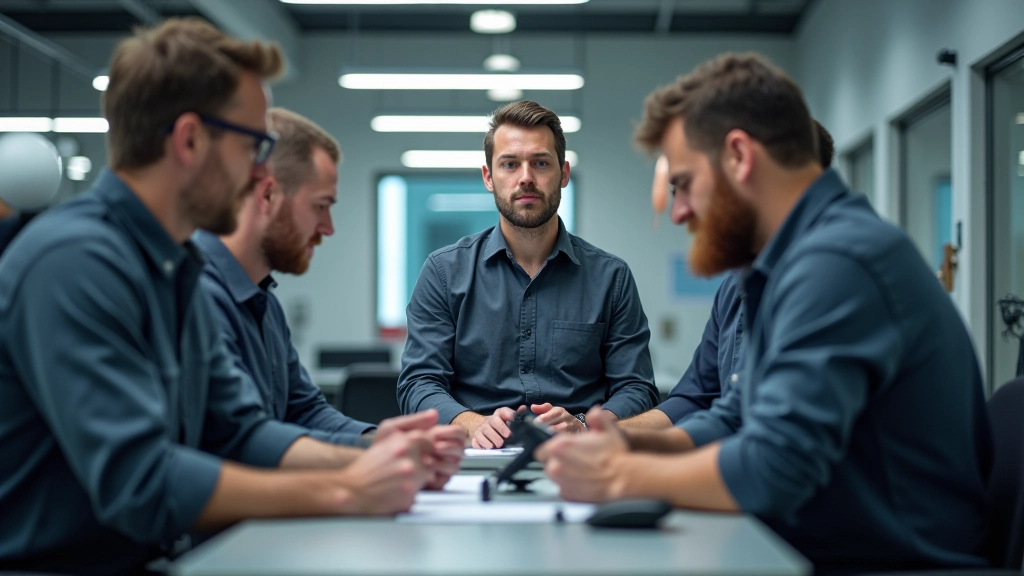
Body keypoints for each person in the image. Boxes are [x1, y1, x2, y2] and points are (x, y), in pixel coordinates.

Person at [0, 18, 436, 574]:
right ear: (189, 140)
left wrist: (373, 457)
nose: (260, 173)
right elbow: (141, 482)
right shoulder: (75, 261)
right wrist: (346, 489)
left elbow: (238, 431)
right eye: (254, 145)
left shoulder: (173, 265)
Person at [536, 52, 991, 572]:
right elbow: (735, 415)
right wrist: (633, 445)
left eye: (684, 183)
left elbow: (776, 466)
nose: (679, 212)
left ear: (739, 156)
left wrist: (619, 476)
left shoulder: (838, 262)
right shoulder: (789, 263)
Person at [195, 106, 464, 488]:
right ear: (268, 194)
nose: (328, 227)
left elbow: (304, 410)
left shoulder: (262, 301)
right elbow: (239, 437)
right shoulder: (195, 294)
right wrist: (369, 458)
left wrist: (377, 440)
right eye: (320, 206)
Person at [398, 100, 659, 449]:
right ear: (488, 177)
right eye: (510, 164)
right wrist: (470, 424)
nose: (525, 177)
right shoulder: (443, 272)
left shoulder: (611, 278)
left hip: (580, 455)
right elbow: (419, 383)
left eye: (540, 163)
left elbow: (637, 388)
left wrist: (585, 426)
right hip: (474, 457)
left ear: (563, 173)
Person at [620, 120, 834, 430]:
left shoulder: (830, 280)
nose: (678, 214)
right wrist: (609, 435)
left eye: (688, 186)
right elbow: (698, 397)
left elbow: (773, 439)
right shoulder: (737, 286)